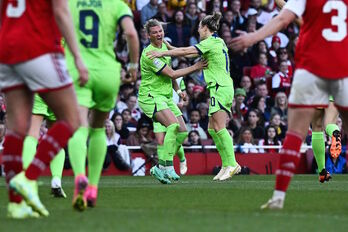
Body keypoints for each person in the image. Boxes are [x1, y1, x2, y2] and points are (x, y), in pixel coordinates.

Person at [230, 0, 348, 210]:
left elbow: (284, 18)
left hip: (311, 68)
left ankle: (279, 196)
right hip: (343, 66)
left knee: (299, 132)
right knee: (332, 122)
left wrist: (252, 37)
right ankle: (336, 133)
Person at [0, 0, 88, 219]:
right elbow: (60, 11)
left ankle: (16, 203)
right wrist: (77, 56)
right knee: (72, 118)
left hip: (8, 47)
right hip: (39, 46)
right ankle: (29, 178)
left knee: (17, 128)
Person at [147, 12, 241, 181]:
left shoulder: (210, 43)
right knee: (212, 129)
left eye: (199, 27)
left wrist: (161, 54)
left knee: (219, 127)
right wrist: (168, 47)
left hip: (220, 87)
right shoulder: (216, 41)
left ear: (205, 28)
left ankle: (232, 163)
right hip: (220, 87)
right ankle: (226, 164)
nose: (198, 30)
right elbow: (188, 53)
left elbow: (186, 50)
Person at [65, 0, 139, 211]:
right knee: (98, 128)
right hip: (108, 73)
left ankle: (80, 175)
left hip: (79, 70)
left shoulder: (69, 3)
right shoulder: (117, 5)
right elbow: (132, 34)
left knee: (78, 127)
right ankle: (93, 187)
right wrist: (133, 66)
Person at [139, 19, 207, 184]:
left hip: (166, 96)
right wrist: (196, 67)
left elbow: (171, 77)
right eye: (154, 32)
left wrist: (178, 91)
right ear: (148, 36)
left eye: (160, 31)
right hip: (151, 96)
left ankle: (160, 167)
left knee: (183, 131)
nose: (159, 34)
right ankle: (166, 166)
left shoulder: (164, 46)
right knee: (172, 126)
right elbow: (171, 73)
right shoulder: (150, 54)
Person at [22, 95, 67, 198]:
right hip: (58, 90)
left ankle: (27, 181)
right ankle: (56, 181)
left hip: (40, 86)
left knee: (32, 133)